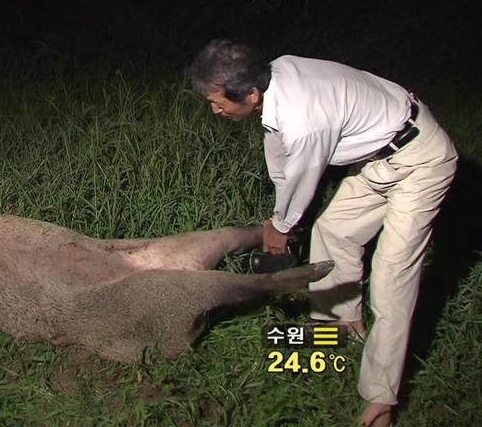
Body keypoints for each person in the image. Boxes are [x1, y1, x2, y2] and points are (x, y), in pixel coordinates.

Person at [187, 39, 457, 427]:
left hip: (420, 162)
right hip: (379, 158)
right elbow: (281, 157)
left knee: (391, 276)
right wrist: (278, 218)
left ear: (250, 93)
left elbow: (302, 178)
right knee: (333, 232)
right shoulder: (276, 78)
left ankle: (381, 399)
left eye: (217, 102)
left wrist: (281, 228)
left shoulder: (304, 119)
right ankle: (340, 324)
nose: (214, 109)